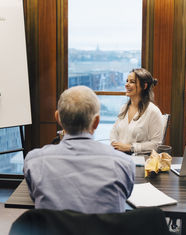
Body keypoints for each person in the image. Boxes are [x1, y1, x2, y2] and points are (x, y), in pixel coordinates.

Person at [24, 86, 135, 214]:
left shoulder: (34, 161)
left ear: (57, 117)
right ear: (96, 122)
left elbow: (35, 198)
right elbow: (123, 197)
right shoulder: (123, 163)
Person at [110, 68, 163, 154]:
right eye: (127, 81)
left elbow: (156, 144)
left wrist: (131, 148)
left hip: (139, 161)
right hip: (119, 156)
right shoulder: (124, 108)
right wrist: (114, 143)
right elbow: (114, 131)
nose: (126, 85)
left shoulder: (153, 111)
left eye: (132, 82)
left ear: (144, 86)